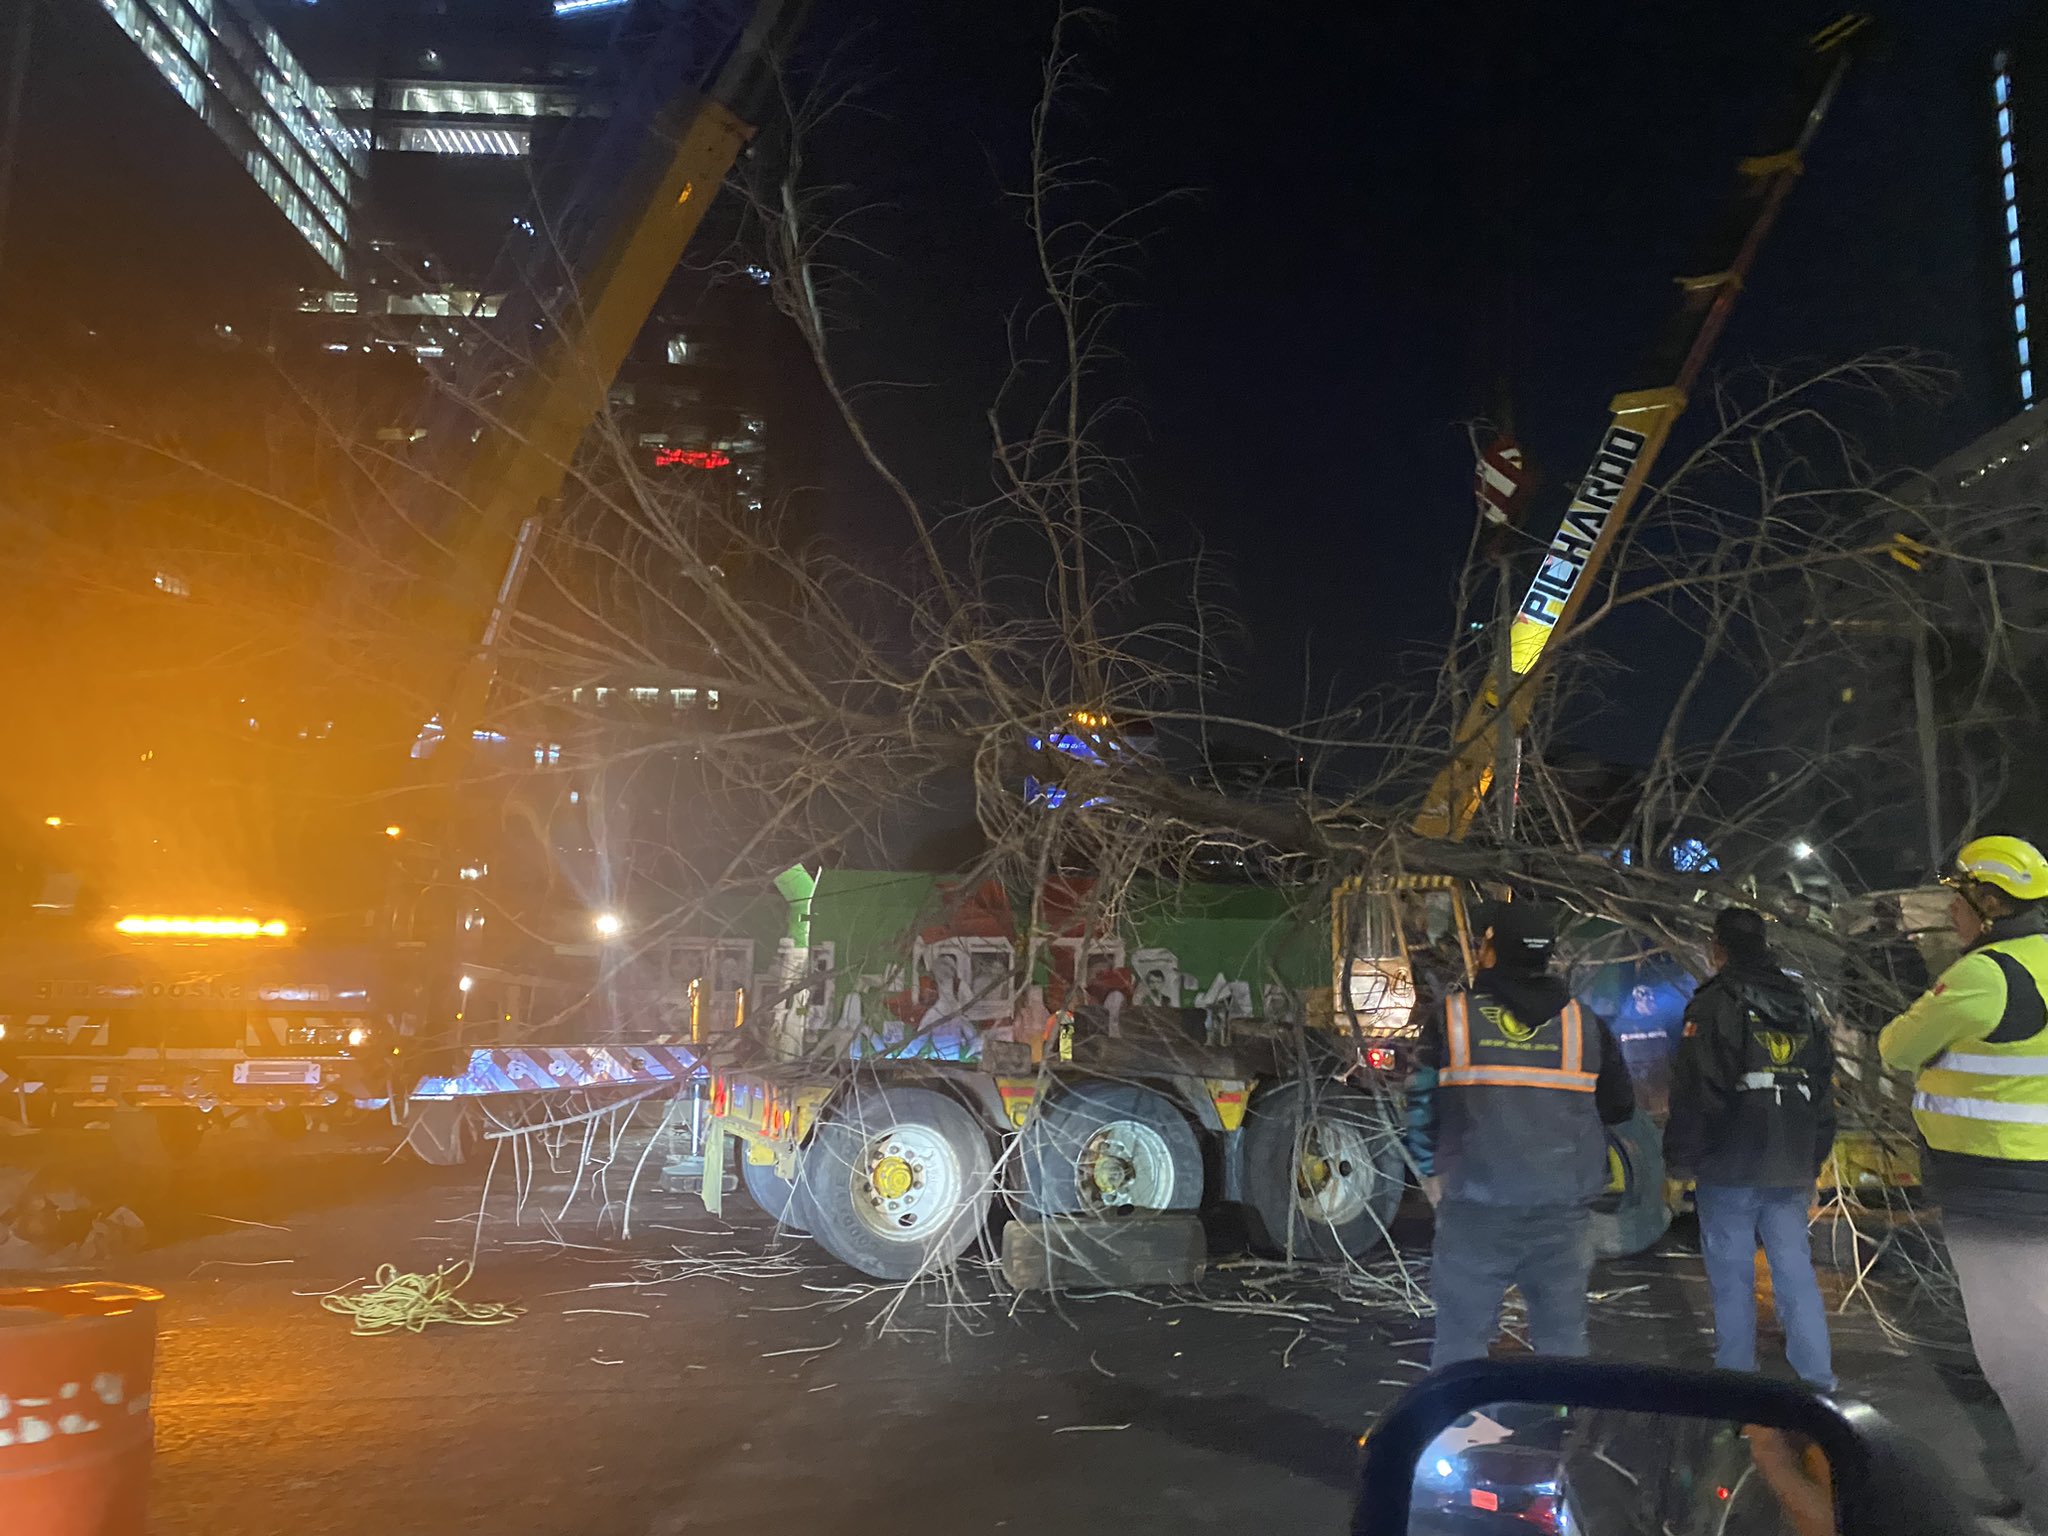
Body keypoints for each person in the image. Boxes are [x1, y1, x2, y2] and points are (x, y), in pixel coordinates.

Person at [1880, 835, 2048, 1528]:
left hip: (1999, 1192)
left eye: (1959, 896)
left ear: (1987, 902)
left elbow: (1896, 1046)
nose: (1952, 911)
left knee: (2021, 1361)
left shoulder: (1987, 975)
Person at [1406, 902, 1636, 1366]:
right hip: (1561, 1210)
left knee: (1461, 1340)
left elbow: (1419, 1103)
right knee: (1562, 1337)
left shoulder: (1452, 1019)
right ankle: (1563, 1423)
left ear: (1492, 952)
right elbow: (1619, 1106)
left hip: (1476, 1206)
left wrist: (1429, 1171)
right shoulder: (1583, 1024)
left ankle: (1461, 1430)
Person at [1665, 907, 1836, 1390]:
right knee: (1794, 1270)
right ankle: (1817, 1375)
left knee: (1732, 1273)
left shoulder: (1715, 1004)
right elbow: (1823, 1092)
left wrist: (1681, 1158)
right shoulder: (1802, 1005)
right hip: (1789, 1162)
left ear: (1718, 948)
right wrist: (1812, 1160)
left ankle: (1737, 1381)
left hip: (1729, 1164)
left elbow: (1699, 1092)